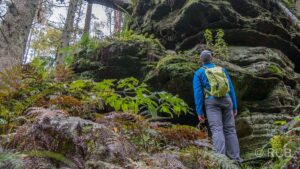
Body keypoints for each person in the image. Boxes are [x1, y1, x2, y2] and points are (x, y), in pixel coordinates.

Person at [193, 50, 242, 163]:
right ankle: (236, 158)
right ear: (212, 58)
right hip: (227, 100)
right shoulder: (222, 70)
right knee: (230, 129)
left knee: (217, 130)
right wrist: (234, 106)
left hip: (211, 102)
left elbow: (198, 94)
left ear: (201, 60)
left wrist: (199, 111)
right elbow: (231, 88)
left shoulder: (199, 73)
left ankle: (221, 160)